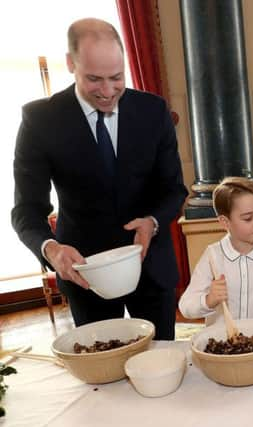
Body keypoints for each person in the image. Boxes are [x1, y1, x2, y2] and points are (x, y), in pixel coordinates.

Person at [11, 18, 188, 340]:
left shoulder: (153, 111)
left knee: (162, 371)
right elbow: (25, 211)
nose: (108, 92)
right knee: (102, 377)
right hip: (84, 275)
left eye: (116, 78)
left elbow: (173, 190)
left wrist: (153, 222)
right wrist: (51, 250)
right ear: (70, 63)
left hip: (151, 270)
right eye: (94, 79)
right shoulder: (40, 120)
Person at [179, 177, 253, 326]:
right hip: (223, 344)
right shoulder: (212, 255)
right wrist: (209, 300)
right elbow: (186, 306)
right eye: (248, 218)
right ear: (225, 222)